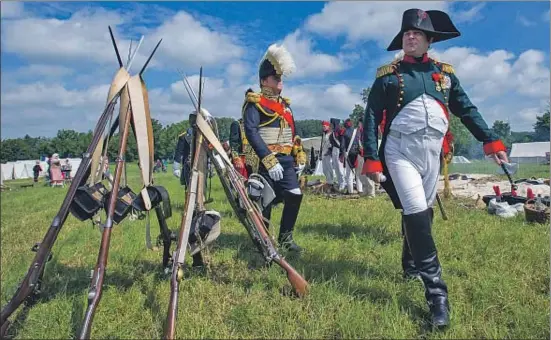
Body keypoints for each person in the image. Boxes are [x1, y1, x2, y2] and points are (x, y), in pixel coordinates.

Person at [362, 8, 508, 330]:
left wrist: (491, 141)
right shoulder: (388, 75)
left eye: (416, 33)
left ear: (429, 40)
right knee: (415, 208)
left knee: (421, 213)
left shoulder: (445, 75)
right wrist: (371, 157)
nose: (409, 37)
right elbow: (371, 117)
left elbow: (467, 109)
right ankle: (437, 297)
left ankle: (410, 265)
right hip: (399, 151)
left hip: (432, 153)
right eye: (406, 33)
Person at [242, 43, 303, 252]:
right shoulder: (254, 103)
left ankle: (286, 238)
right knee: (265, 203)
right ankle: (266, 243)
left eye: (281, 78)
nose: (280, 82)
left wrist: (299, 154)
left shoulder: (286, 106)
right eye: (276, 78)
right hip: (265, 160)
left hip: (286, 161)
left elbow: (292, 134)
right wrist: (268, 159)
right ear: (263, 81)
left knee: (295, 195)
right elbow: (251, 132)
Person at [340, 118, 363, 195]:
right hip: (358, 154)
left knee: (349, 173)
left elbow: (342, 146)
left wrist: (342, 154)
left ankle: (350, 191)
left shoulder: (344, 132)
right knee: (358, 173)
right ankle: (360, 190)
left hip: (349, 154)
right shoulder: (357, 131)